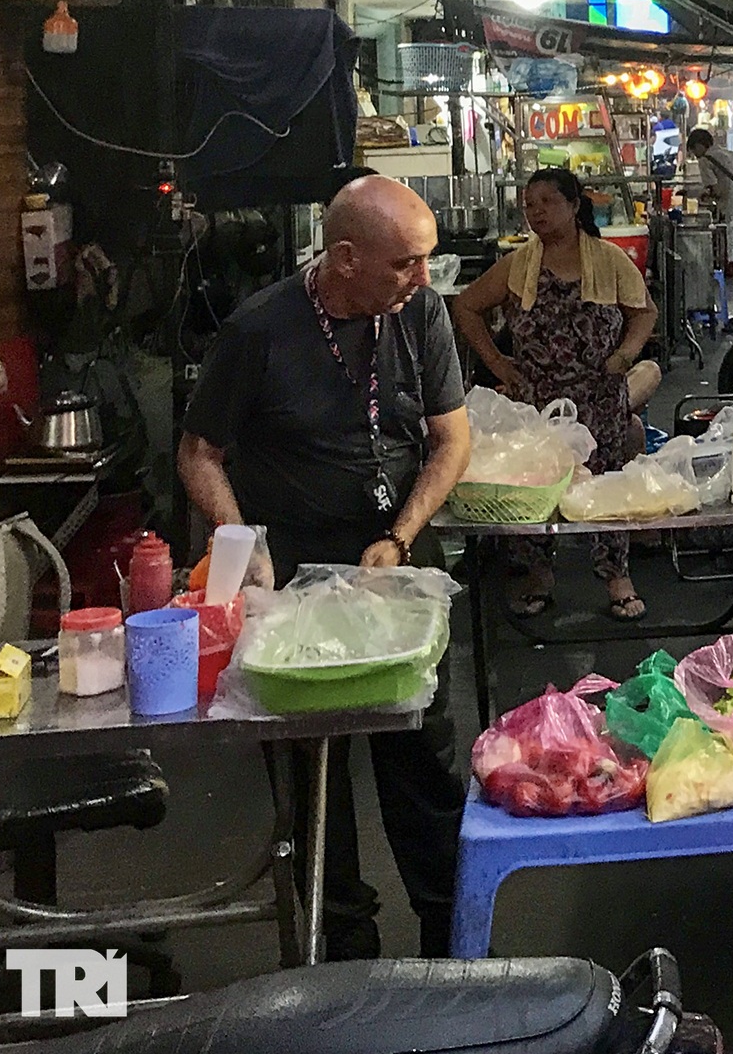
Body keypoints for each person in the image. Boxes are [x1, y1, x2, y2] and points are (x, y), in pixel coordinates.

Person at [178, 176, 470, 959]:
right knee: (309, 767)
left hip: (396, 559)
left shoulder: (423, 314)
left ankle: (453, 929)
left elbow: (450, 440)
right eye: (406, 263)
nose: (423, 278)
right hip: (297, 568)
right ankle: (338, 947)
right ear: (344, 258)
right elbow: (199, 454)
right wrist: (240, 543)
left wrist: (404, 535)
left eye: (427, 260)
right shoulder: (259, 331)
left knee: (422, 754)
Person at [452, 168, 663, 620]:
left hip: (599, 397)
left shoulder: (608, 260)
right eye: (529, 204)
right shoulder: (518, 266)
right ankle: (538, 575)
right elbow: (466, 306)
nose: (536, 212)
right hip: (537, 404)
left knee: (606, 485)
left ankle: (617, 578)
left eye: (548, 201)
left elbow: (644, 313)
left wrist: (625, 356)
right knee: (535, 485)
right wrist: (499, 364)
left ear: (574, 205)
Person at [685, 127, 733, 320]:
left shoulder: (706, 160)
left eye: (694, 152)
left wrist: (702, 195)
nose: (695, 157)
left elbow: (714, 190)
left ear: (699, 146)